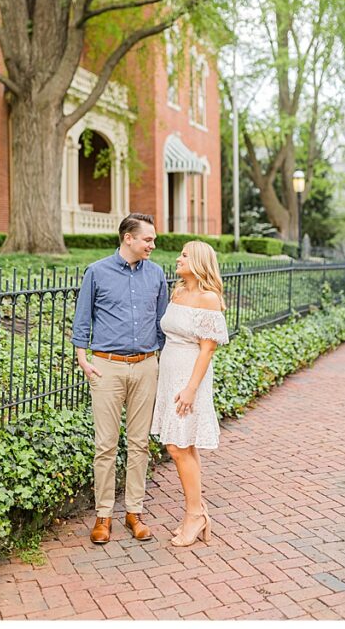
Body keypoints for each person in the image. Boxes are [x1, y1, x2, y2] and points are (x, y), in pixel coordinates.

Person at [72, 213, 168, 545]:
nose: (153, 245)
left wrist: (159, 361)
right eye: (148, 239)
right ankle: (102, 516)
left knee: (140, 443)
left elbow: (162, 323)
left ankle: (134, 512)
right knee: (106, 446)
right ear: (128, 238)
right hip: (106, 367)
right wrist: (82, 357)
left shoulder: (156, 275)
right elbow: (83, 316)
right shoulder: (97, 272)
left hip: (145, 366)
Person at [151, 240, 228, 547]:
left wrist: (191, 389)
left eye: (184, 255)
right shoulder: (179, 291)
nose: (178, 258)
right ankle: (199, 512)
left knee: (177, 446)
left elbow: (208, 349)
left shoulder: (209, 299)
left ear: (198, 261)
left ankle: (194, 515)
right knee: (184, 445)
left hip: (189, 377)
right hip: (170, 372)